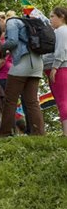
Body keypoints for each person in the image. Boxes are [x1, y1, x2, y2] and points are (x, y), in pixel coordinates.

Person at [0, 13, 45, 136]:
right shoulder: (27, 23)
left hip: (22, 62)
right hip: (37, 64)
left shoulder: (12, 22)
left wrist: (0, 48)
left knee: (10, 100)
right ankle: (39, 133)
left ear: (2, 20)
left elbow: (13, 41)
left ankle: (5, 133)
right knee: (32, 101)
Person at [45, 7, 67, 135]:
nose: (50, 19)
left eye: (52, 16)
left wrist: (54, 67)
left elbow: (61, 50)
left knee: (62, 100)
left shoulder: (61, 31)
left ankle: (65, 133)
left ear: (62, 16)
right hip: (62, 67)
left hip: (61, 68)